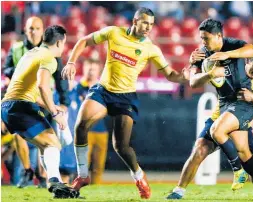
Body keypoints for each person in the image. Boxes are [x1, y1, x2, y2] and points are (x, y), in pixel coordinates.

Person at [61, 7, 187, 199]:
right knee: (80, 126)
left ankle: (139, 176)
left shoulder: (150, 48)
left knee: (121, 146)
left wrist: (183, 76)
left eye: (151, 24)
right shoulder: (114, 32)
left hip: (125, 97)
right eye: (145, 22)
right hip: (103, 91)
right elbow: (84, 41)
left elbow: (170, 74)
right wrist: (71, 62)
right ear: (135, 21)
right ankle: (83, 175)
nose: (148, 27)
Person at [167, 18, 253, 200]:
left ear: (218, 36)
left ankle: (245, 176)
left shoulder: (235, 48)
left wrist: (227, 55)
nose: (203, 42)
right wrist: (209, 74)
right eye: (201, 38)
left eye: (205, 38)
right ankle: (179, 191)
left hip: (240, 107)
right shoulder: (202, 54)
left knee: (243, 149)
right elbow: (193, 82)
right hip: (223, 108)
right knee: (202, 148)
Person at [1, 25, 78, 199]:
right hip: (21, 107)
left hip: (8, 107)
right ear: (59, 42)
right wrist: (56, 113)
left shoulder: (31, 53)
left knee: (46, 144)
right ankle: (55, 182)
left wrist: (49, 106)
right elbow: (43, 85)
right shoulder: (49, 58)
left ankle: (55, 183)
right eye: (64, 43)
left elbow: (28, 89)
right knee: (53, 144)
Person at [75, 59, 109, 184]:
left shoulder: (103, 88)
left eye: (93, 69)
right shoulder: (79, 87)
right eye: (89, 68)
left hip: (101, 130)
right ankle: (81, 185)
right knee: (84, 162)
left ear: (98, 71)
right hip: (85, 131)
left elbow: (107, 108)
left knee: (99, 164)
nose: (91, 72)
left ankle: (97, 187)